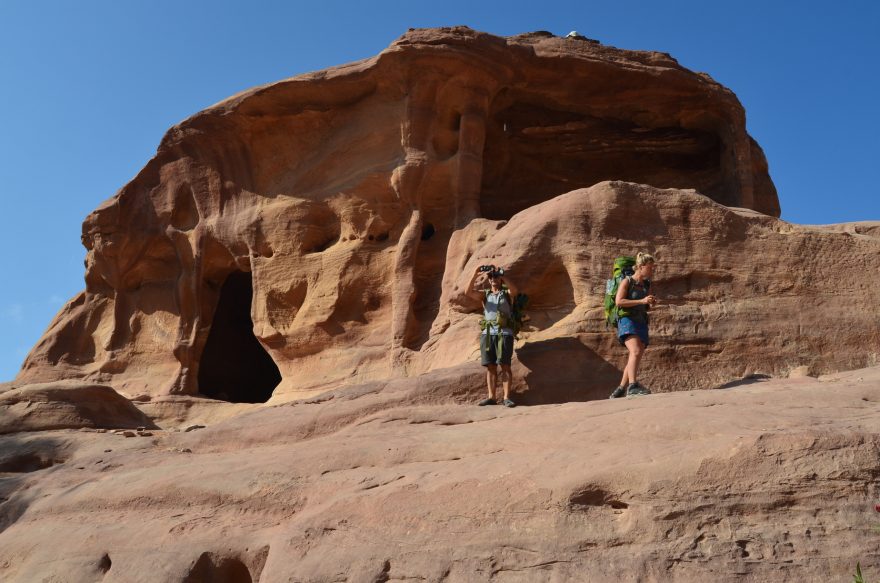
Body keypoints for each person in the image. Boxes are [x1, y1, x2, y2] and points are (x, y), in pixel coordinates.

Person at [466, 265, 519, 407]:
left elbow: (515, 291)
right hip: (488, 333)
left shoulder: (506, 293)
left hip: (504, 333)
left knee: (505, 365)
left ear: (500, 279)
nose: (493, 279)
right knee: (490, 366)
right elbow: (468, 292)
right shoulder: (486, 295)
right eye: (491, 277)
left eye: (495, 276)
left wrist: (502, 275)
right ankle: (492, 397)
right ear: (488, 280)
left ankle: (506, 397)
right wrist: (475, 273)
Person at [610, 252, 657, 398]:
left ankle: (620, 389)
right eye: (650, 267)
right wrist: (641, 301)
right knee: (636, 351)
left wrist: (650, 303)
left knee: (635, 354)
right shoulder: (627, 281)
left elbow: (647, 305)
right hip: (627, 320)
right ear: (641, 267)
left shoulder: (647, 284)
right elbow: (619, 301)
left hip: (641, 320)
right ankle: (632, 386)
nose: (652, 270)